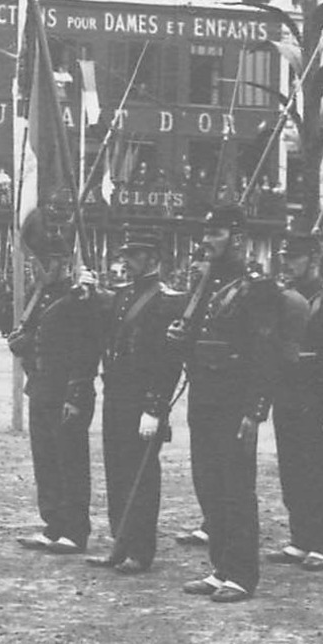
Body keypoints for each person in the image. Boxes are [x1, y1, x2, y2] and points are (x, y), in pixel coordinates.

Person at [168, 205, 284, 604]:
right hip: (205, 395)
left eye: (215, 233)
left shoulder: (258, 289)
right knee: (209, 484)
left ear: (237, 238)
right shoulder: (207, 284)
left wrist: (255, 411)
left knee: (236, 487)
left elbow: (265, 354)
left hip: (235, 401)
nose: (206, 241)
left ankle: (241, 574)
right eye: (206, 233)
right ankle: (221, 567)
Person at [74, 229, 186, 573]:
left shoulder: (168, 300)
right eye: (127, 255)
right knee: (117, 470)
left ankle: (141, 549)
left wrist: (155, 408)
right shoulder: (122, 296)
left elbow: (168, 361)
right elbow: (100, 325)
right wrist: (89, 291)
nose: (128, 261)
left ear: (154, 258)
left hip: (142, 398)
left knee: (141, 475)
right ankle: (119, 544)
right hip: (117, 394)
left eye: (135, 256)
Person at [7, 205, 96, 555]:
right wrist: (21, 344)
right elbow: (30, 336)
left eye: (42, 262)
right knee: (46, 460)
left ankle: (75, 530)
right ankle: (54, 524)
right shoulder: (40, 295)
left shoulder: (78, 299)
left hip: (66, 393)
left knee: (69, 462)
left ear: (59, 264)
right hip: (41, 388)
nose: (35, 267)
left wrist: (76, 396)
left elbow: (85, 353)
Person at [267, 232, 323, 572]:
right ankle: (299, 538)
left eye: (295, 258)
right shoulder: (283, 298)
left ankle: (322, 543)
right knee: (291, 467)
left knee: (318, 467)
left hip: (318, 393)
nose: (287, 263)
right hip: (287, 390)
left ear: (314, 260)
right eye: (285, 257)